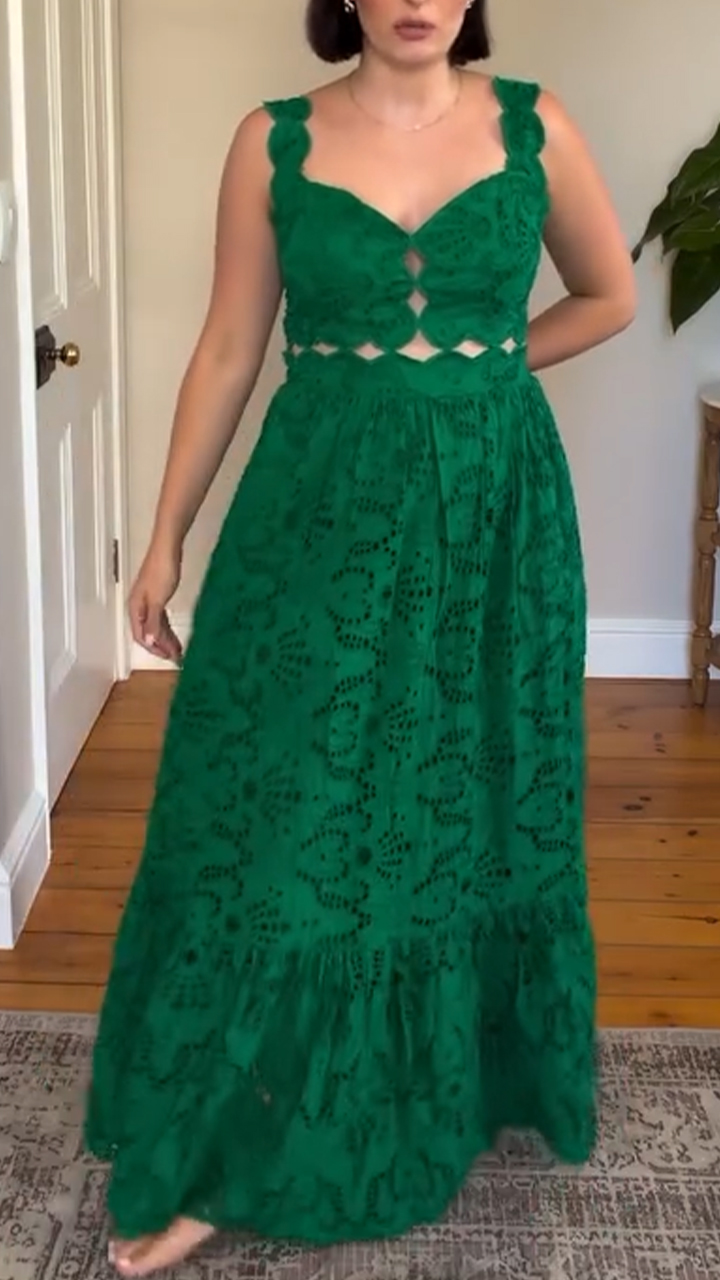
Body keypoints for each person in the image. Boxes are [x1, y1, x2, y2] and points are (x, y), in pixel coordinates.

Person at [86, 0, 636, 1274]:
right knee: (286, 814)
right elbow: (231, 346)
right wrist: (165, 534)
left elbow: (609, 295)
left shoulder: (535, 127)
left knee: (461, 801)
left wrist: (485, 368)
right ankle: (229, 1144)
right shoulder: (269, 141)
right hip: (318, 514)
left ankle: (450, 1081)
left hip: (494, 522)